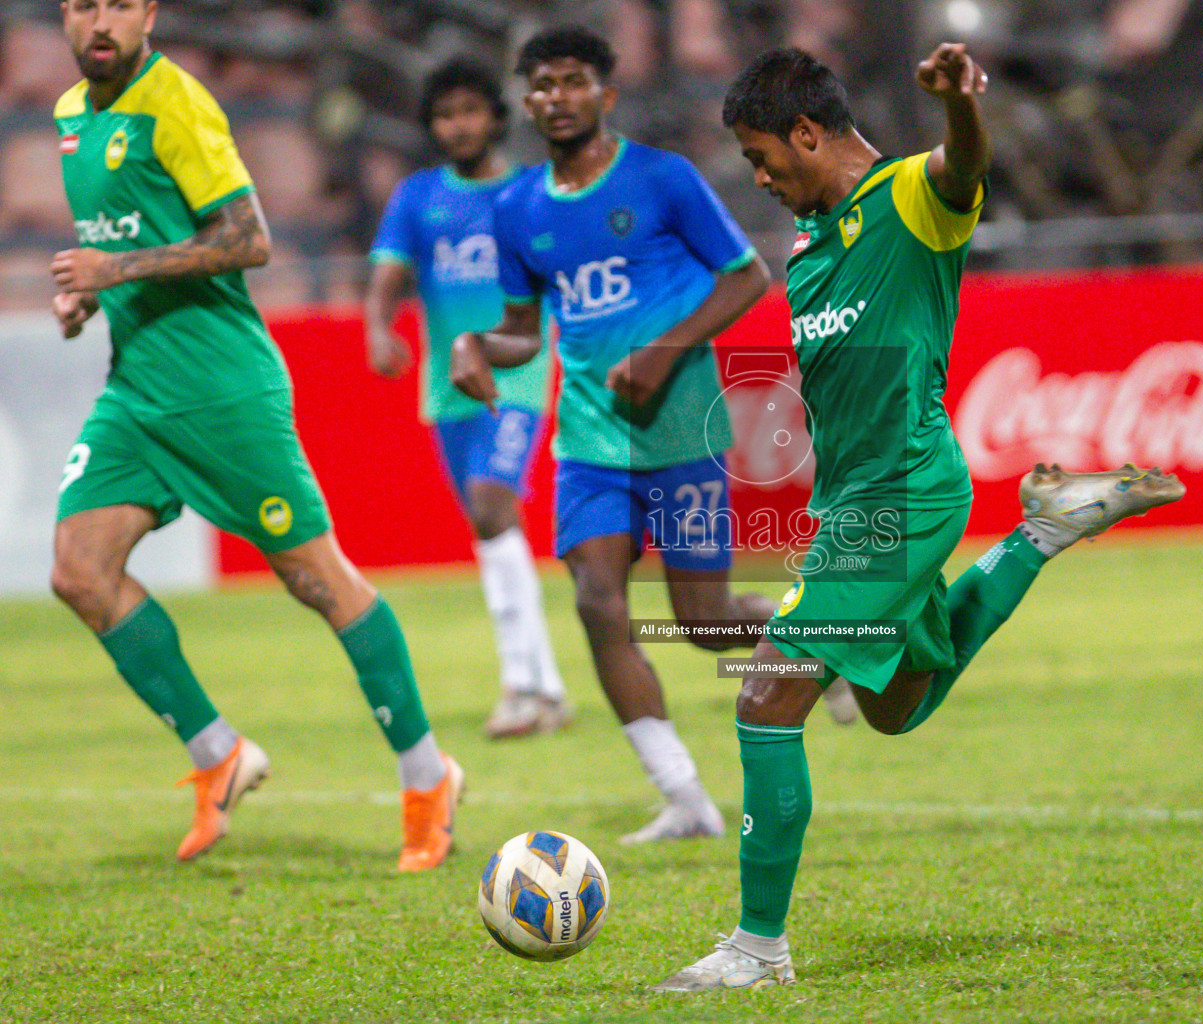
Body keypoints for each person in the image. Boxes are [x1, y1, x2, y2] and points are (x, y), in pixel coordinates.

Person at [652, 44, 1186, 990]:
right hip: (852, 501)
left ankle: (756, 948)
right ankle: (1039, 536)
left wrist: (962, 109)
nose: (762, 178)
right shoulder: (812, 246)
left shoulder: (905, 199)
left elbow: (962, 167)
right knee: (899, 705)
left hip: (905, 492)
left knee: (767, 692)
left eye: (762, 157)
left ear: (806, 133)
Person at [47, 0, 461, 871]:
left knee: (318, 579)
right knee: (79, 572)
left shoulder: (178, 104)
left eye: (118, 5)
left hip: (222, 389)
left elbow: (249, 239)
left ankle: (429, 778)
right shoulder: (71, 115)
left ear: (148, 12)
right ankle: (219, 754)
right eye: (83, 4)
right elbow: (127, 232)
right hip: (138, 390)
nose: (99, 22)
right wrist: (89, 293)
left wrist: (114, 268)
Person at [450, 26, 855, 845]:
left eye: (571, 81)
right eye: (540, 85)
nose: (554, 97)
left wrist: (663, 353)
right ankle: (682, 795)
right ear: (525, 101)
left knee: (702, 621)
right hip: (589, 445)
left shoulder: (662, 180)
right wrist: (474, 345)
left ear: (606, 92)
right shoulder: (517, 206)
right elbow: (524, 332)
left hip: (678, 435)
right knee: (599, 602)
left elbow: (747, 275)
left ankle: (821, 637)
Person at [365, 57, 572, 741]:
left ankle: (520, 685)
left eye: (470, 110)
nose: (459, 124)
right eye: (446, 114)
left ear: (494, 116)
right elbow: (390, 272)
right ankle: (546, 688)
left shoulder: (528, 193)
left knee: (490, 505)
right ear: (433, 126)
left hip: (515, 373)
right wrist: (376, 327)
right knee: (492, 530)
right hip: (444, 392)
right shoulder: (418, 197)